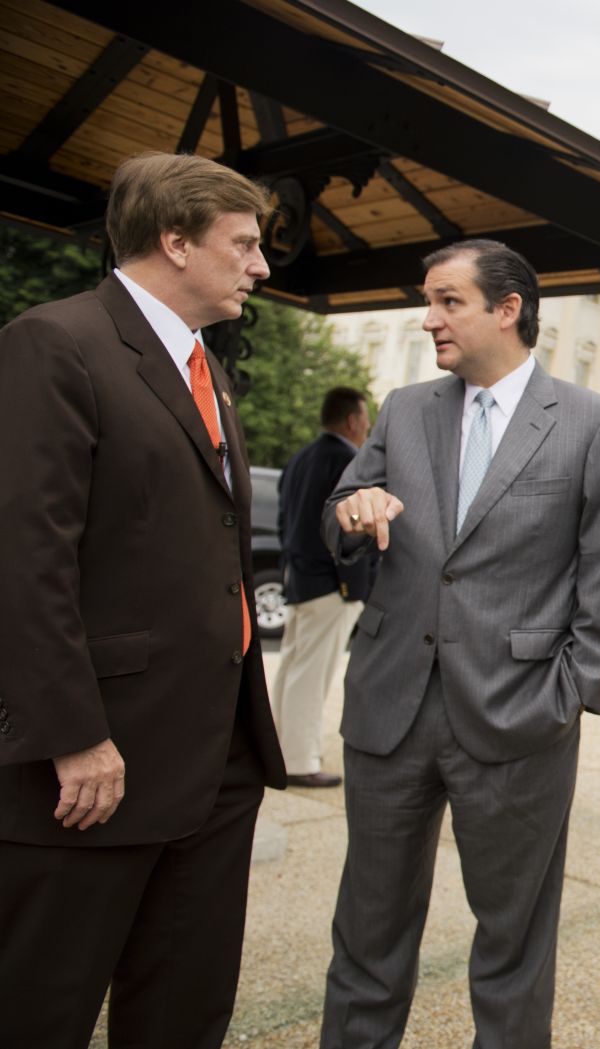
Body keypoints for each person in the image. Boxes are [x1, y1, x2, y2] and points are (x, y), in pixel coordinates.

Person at [317, 239, 600, 1048]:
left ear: (508, 309)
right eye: (428, 300)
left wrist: (566, 698)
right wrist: (351, 512)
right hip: (390, 706)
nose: (428, 319)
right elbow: (346, 506)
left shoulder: (592, 423)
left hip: (519, 719)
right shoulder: (404, 408)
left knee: (512, 946)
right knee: (367, 934)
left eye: (447, 300)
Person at [0, 151, 287, 1048]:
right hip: (95, 763)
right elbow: (24, 552)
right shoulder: (54, 341)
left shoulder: (208, 369)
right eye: (243, 243)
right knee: (41, 1008)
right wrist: (74, 733)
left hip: (217, 761)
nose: (261, 265)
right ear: (175, 241)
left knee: (184, 1011)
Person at [271, 386, 375, 788]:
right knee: (310, 675)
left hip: (298, 577)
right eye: (365, 420)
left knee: (293, 667)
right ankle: (298, 760)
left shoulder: (302, 457)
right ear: (352, 420)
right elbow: (349, 526)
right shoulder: (346, 460)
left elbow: (285, 520)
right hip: (330, 584)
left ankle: (281, 747)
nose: (367, 427)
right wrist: (352, 587)